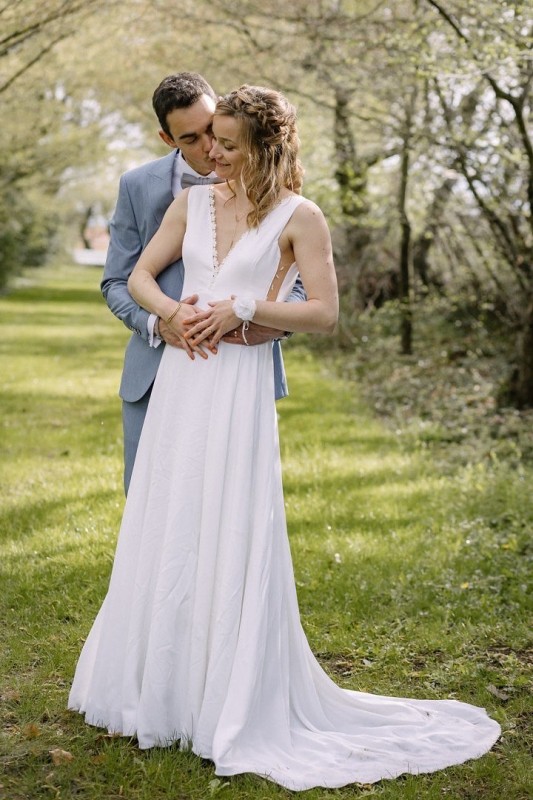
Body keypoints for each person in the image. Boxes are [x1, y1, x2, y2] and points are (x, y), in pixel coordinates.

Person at [69, 85, 500, 790]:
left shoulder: (303, 218)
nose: (213, 153)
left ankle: (228, 696)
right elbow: (140, 277)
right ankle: (157, 686)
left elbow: (323, 313)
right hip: (183, 381)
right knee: (170, 521)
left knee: (230, 527)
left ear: (265, 148)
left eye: (228, 143)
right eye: (208, 141)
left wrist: (243, 306)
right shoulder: (194, 202)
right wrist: (174, 315)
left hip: (237, 390)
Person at [101, 72, 305, 492]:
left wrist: (269, 323)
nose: (210, 148)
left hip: (240, 366)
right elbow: (117, 282)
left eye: (214, 131)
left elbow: (298, 281)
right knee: (149, 493)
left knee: (229, 496)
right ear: (167, 138)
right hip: (156, 367)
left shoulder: (273, 185)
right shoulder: (137, 186)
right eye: (191, 139)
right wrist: (162, 321)